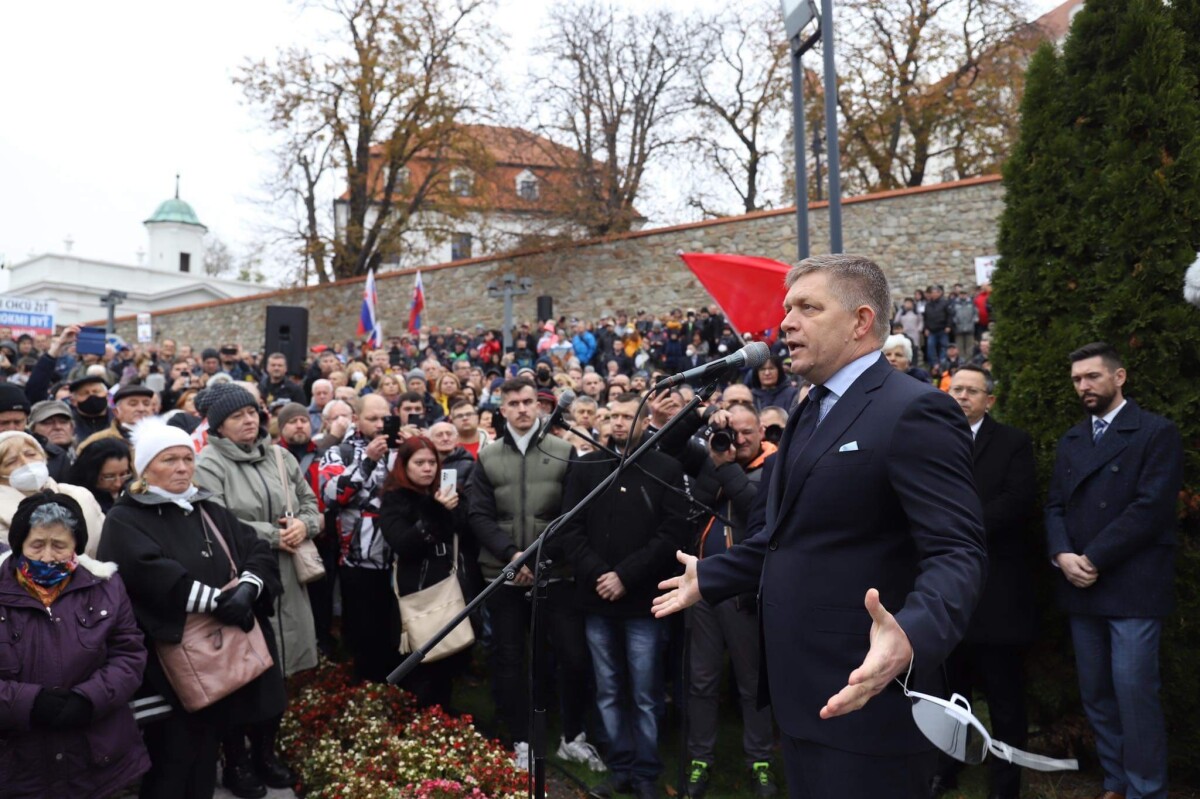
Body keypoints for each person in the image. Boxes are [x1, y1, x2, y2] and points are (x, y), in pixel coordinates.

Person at [654, 254, 987, 799]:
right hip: (800, 692)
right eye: (788, 308)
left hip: (868, 694)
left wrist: (913, 634)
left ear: (859, 322)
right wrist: (711, 576)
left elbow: (958, 551)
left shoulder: (915, 410)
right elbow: (786, 537)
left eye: (808, 307)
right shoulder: (812, 408)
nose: (786, 322)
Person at [97, 418, 285, 799]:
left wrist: (248, 589)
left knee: (206, 753)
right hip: (168, 664)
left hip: (218, 658)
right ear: (145, 468)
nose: (182, 468)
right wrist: (220, 602)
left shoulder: (205, 507)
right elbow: (148, 574)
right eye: (169, 460)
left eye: (187, 458)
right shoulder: (126, 517)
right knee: (172, 758)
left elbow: (255, 548)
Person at [1045, 342, 1182, 799]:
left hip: (1132, 585)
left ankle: (1147, 790)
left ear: (1119, 377)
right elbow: (1055, 507)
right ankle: (1116, 782)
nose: (1083, 386)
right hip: (1080, 584)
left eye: (1092, 377)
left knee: (1134, 695)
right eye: (1077, 379)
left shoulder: (1155, 432)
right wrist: (1062, 554)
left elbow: (1151, 508)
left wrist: (1093, 558)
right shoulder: (1071, 439)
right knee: (1097, 694)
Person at [560, 393, 689, 799]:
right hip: (596, 597)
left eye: (625, 416)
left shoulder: (665, 467)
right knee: (609, 687)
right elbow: (569, 528)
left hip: (643, 600)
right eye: (610, 416)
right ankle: (621, 767)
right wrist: (600, 573)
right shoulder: (585, 466)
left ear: (644, 420)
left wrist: (626, 576)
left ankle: (646, 772)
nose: (617, 423)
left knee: (646, 691)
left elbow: (672, 533)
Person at [193, 383, 319, 796]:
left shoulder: (280, 457)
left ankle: (266, 752)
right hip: (242, 578)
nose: (249, 421)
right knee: (242, 671)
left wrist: (305, 525)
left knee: (277, 672)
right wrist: (271, 535)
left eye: (253, 412)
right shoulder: (208, 464)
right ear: (219, 426)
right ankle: (236, 759)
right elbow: (216, 519)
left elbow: (309, 503)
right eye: (237, 416)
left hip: (289, 575)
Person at [468, 378, 598, 772]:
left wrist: (537, 559)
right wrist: (513, 558)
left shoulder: (564, 451)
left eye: (529, 402)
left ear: (539, 406)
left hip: (555, 575)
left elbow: (574, 514)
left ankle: (572, 736)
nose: (523, 409)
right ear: (502, 409)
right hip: (504, 577)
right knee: (509, 659)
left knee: (572, 657)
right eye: (514, 403)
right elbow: (478, 515)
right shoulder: (487, 457)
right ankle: (520, 739)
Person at [931, 365, 1038, 799]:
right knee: (950, 696)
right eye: (956, 389)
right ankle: (947, 769)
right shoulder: (934, 443)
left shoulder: (1013, 443)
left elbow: (1017, 501)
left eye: (972, 391)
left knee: (1005, 698)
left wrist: (959, 524)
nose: (962, 397)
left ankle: (1005, 784)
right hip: (947, 592)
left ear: (989, 400)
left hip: (998, 593)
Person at [0, 491, 150, 798]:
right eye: (37, 544)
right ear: (19, 545)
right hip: (17, 761)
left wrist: (89, 698)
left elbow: (129, 654)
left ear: (76, 547)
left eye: (60, 545)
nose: (47, 556)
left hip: (96, 755)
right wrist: (27, 702)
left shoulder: (105, 586)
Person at [669, 403, 779, 798]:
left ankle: (760, 761)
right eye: (734, 431)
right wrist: (701, 418)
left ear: (762, 431)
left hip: (743, 594)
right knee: (701, 681)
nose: (740, 440)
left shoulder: (775, 466)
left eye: (748, 432)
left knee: (752, 684)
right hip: (701, 589)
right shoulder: (714, 455)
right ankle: (700, 758)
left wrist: (725, 466)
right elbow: (671, 449)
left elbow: (756, 511)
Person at [378, 436, 472, 708]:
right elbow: (404, 544)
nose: (428, 468)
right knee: (423, 657)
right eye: (419, 462)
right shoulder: (395, 499)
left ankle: (444, 715)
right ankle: (422, 718)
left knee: (451, 654)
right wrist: (436, 511)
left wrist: (457, 507)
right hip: (418, 586)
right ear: (404, 466)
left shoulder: (449, 493)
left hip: (452, 581)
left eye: (432, 462)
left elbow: (464, 531)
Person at [319, 393, 399, 683]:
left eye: (384, 418)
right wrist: (367, 461)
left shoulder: (399, 450)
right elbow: (333, 496)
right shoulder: (340, 452)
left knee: (396, 636)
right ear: (356, 420)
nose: (379, 425)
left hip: (401, 559)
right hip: (358, 562)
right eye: (372, 418)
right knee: (365, 640)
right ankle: (365, 697)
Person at [0, 431, 107, 558]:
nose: (25, 463)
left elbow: (106, 543)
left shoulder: (80, 494)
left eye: (31, 454)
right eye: (11, 461)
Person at [67, 437, 134, 513]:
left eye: (123, 474)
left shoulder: (132, 495)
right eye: (109, 477)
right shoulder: (77, 503)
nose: (118, 484)